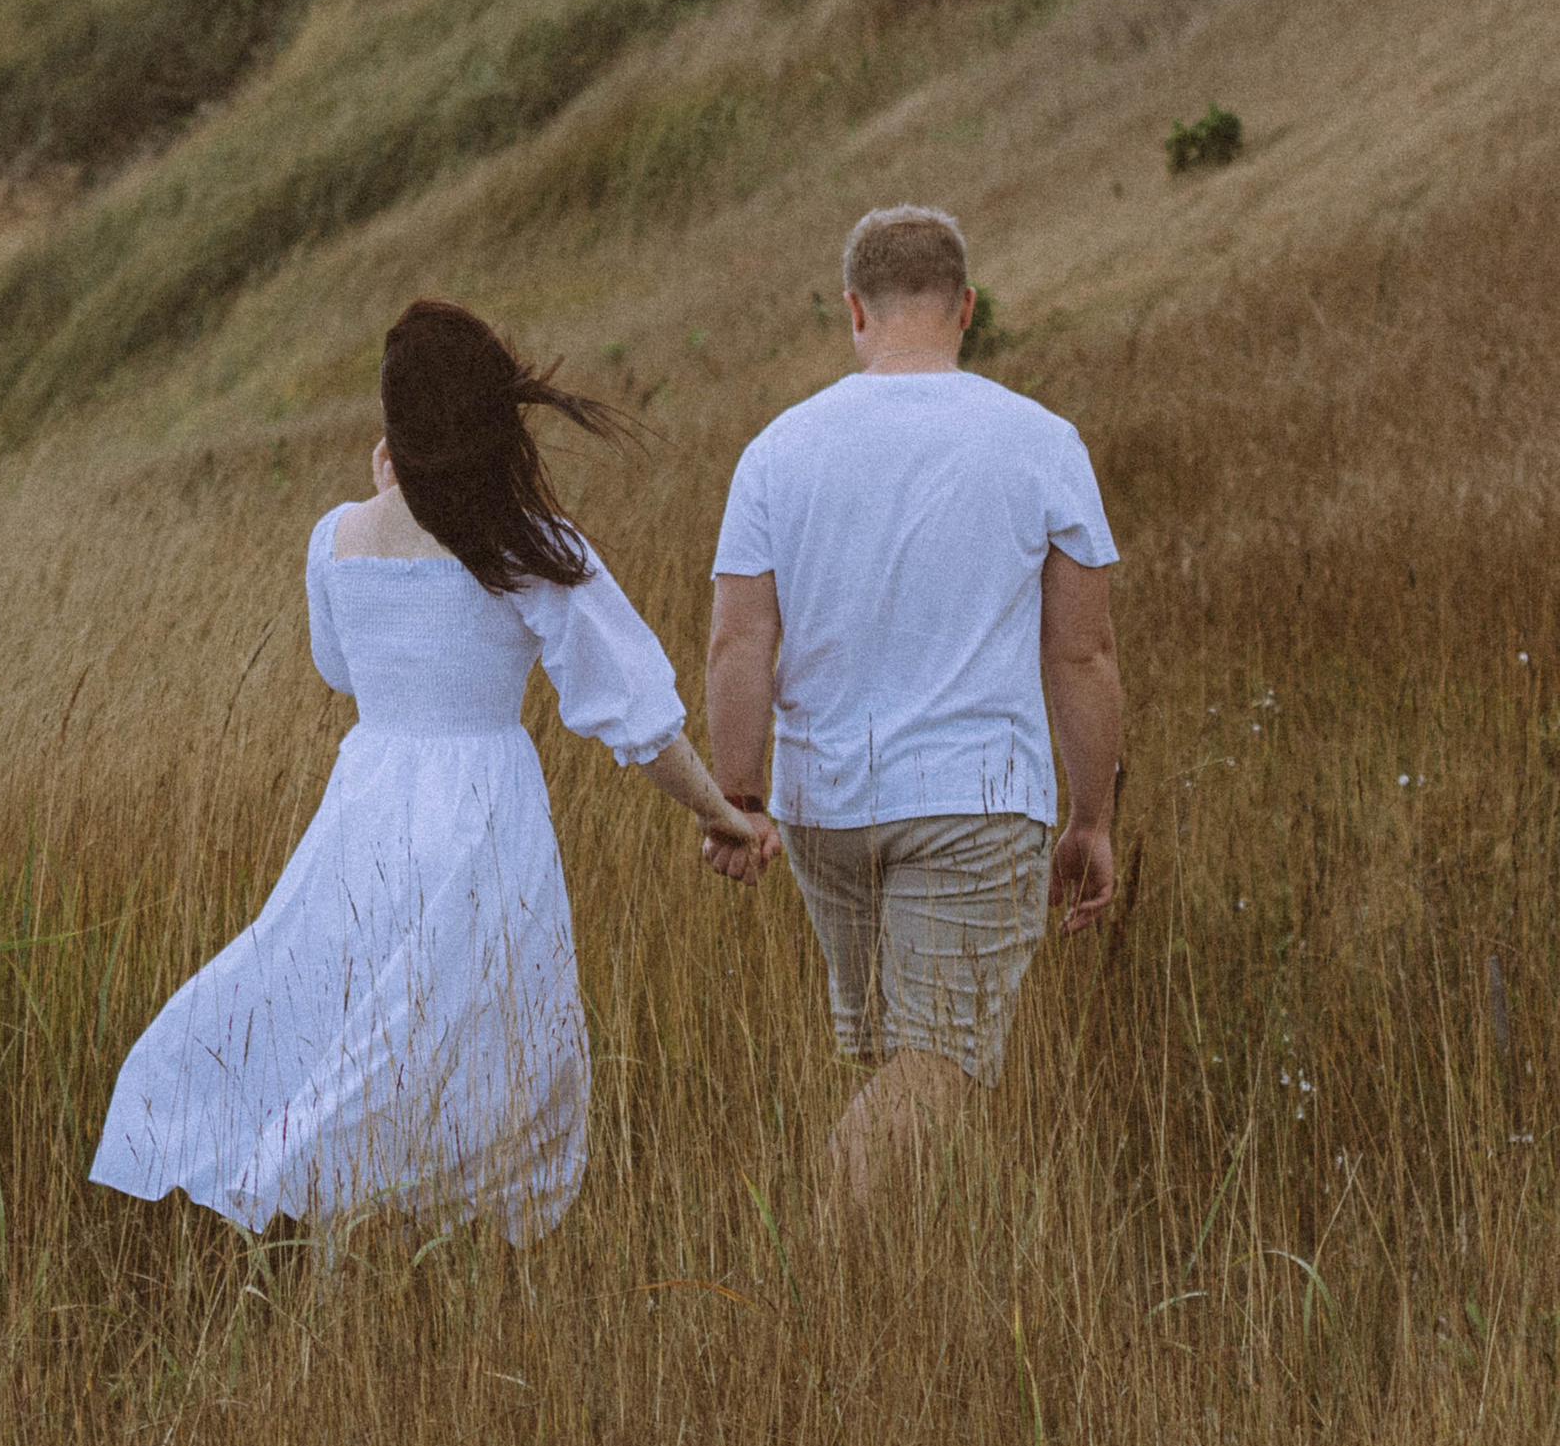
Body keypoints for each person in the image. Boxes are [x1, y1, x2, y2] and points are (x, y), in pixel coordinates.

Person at [91, 298, 776, 1244]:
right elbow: (633, 715)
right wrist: (718, 812)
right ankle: (402, 1219)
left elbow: (341, 670)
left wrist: (386, 497)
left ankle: (332, 1204)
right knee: (467, 1028)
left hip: (368, 799)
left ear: (395, 427)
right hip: (482, 805)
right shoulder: (529, 545)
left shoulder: (336, 538)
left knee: (352, 1002)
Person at [701, 204, 1120, 1212]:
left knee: (904, 1066)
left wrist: (739, 799)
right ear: (965, 308)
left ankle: (909, 1302)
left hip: (823, 810)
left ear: (853, 309)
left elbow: (737, 642)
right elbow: (1082, 651)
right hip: (974, 805)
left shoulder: (776, 451)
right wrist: (1092, 818)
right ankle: (815, 1288)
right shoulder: (1040, 442)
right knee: (932, 1076)